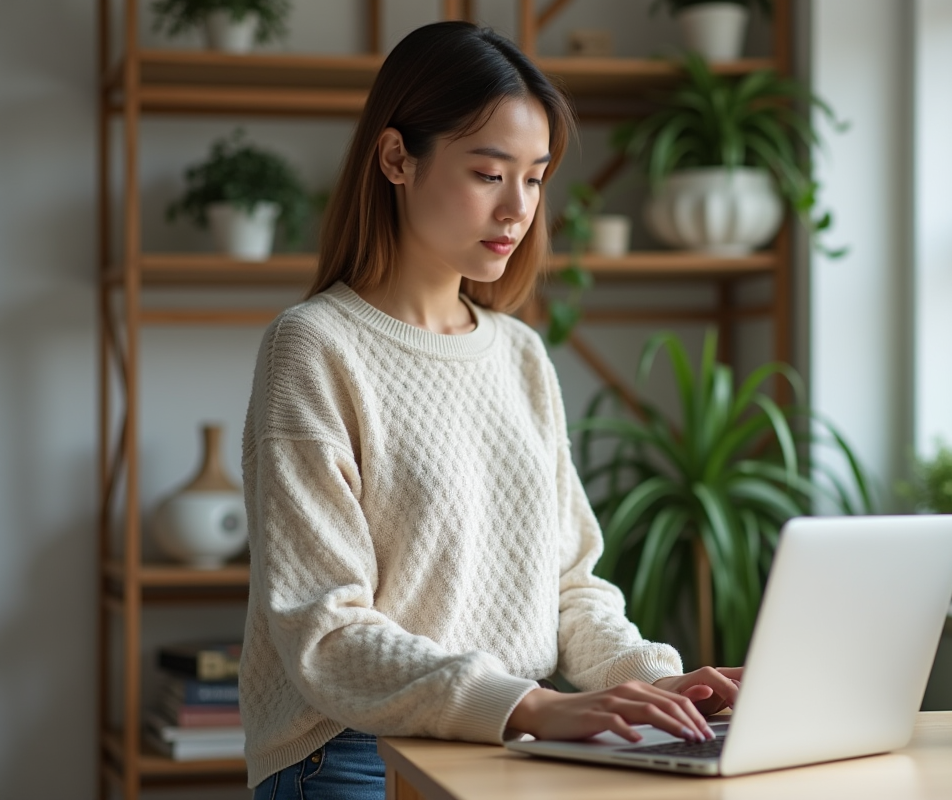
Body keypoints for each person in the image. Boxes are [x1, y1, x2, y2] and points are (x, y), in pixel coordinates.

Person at [239, 20, 742, 799]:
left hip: (513, 741)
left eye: (536, 177)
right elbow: (327, 633)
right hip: (352, 752)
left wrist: (660, 684)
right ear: (397, 158)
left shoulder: (519, 354)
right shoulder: (314, 348)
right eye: (488, 173)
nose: (519, 208)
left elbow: (569, 586)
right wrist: (529, 706)